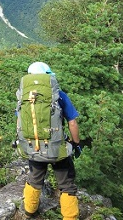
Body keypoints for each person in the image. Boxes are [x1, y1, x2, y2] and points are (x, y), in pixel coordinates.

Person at [21, 62, 81, 220]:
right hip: (57, 147)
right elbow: (72, 122)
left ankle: (29, 212)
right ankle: (70, 217)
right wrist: (76, 143)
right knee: (67, 185)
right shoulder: (59, 95)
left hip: (33, 146)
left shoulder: (23, 97)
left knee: (34, 180)